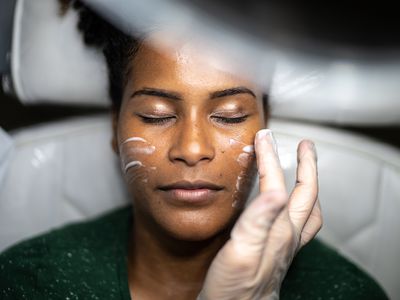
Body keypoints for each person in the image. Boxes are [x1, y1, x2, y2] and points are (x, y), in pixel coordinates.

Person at [0, 1, 388, 299]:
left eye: (231, 115)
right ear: (114, 126)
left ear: (265, 125)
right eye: (155, 115)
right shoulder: (27, 281)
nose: (192, 148)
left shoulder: (345, 292)